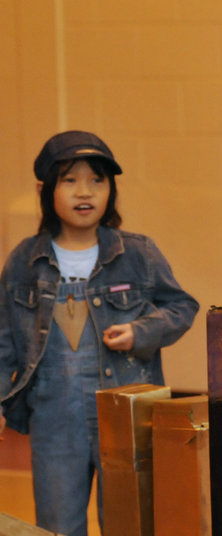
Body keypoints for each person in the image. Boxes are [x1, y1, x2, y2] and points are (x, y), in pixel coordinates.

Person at [0, 130, 199, 536]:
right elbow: (3, 340)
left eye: (97, 179)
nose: (84, 191)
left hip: (125, 412)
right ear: (45, 189)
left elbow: (182, 307)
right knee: (57, 525)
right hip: (54, 417)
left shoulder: (137, 253)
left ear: (111, 189)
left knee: (131, 522)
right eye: (69, 180)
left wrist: (140, 331)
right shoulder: (25, 259)